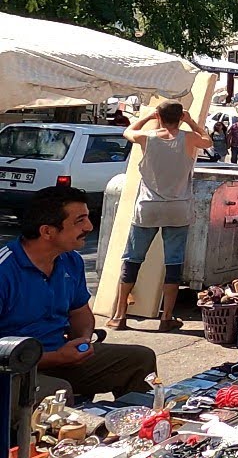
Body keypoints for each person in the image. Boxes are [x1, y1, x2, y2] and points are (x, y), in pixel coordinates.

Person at [0, 186, 157, 400]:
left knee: (140, 359)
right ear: (47, 231)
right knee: (58, 392)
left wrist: (83, 341)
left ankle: (133, 426)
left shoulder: (70, 260)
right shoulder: (5, 270)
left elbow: (80, 313)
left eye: (88, 218)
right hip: (12, 369)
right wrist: (55, 357)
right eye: (79, 221)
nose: (89, 226)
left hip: (60, 355)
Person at [108, 101, 212, 332]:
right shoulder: (188, 138)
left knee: (133, 258)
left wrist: (147, 117)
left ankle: (119, 315)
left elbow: (127, 131)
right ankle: (166, 317)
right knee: (173, 263)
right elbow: (208, 140)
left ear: (159, 116)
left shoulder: (149, 138)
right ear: (180, 116)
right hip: (178, 207)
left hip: (148, 206)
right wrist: (190, 121)